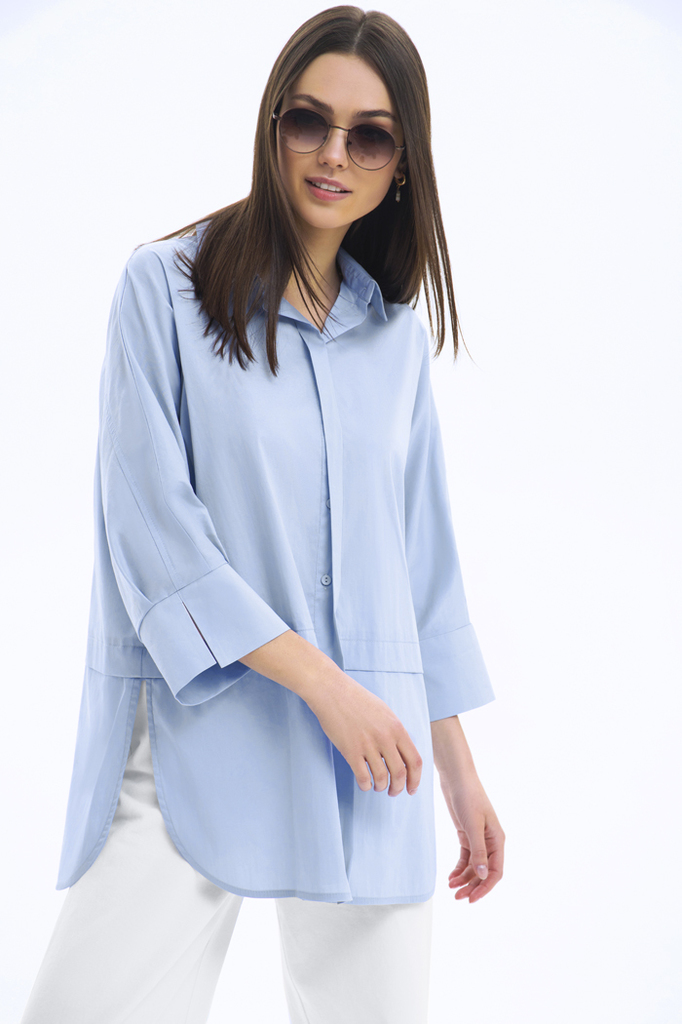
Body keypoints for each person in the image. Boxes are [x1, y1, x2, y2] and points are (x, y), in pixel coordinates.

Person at [19, 6, 505, 1023]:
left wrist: (458, 772)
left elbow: (421, 567)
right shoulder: (163, 290)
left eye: (370, 136)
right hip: (206, 726)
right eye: (308, 121)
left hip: (376, 756)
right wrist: (326, 688)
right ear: (271, 124)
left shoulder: (393, 339)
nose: (333, 155)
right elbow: (156, 537)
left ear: (402, 166)